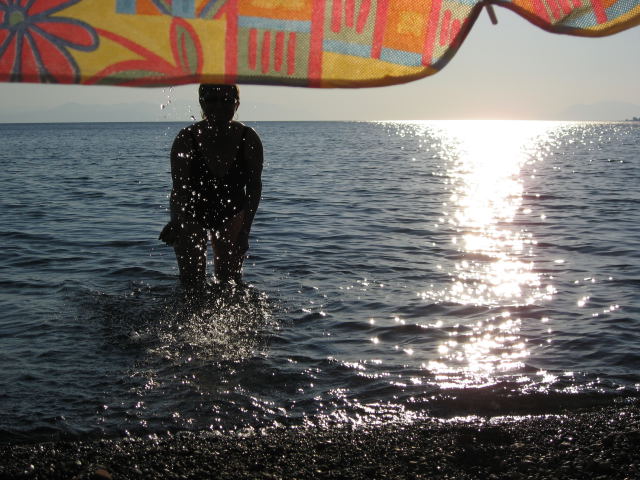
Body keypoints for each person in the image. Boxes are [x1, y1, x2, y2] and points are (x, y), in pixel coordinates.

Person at [159, 84, 263, 289]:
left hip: (232, 211)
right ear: (201, 103)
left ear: (237, 104)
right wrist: (176, 221)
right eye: (211, 100)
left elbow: (254, 188)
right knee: (191, 284)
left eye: (226, 100)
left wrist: (245, 231)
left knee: (230, 283)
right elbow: (179, 189)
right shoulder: (186, 138)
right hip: (191, 213)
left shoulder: (248, 138)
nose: (219, 106)